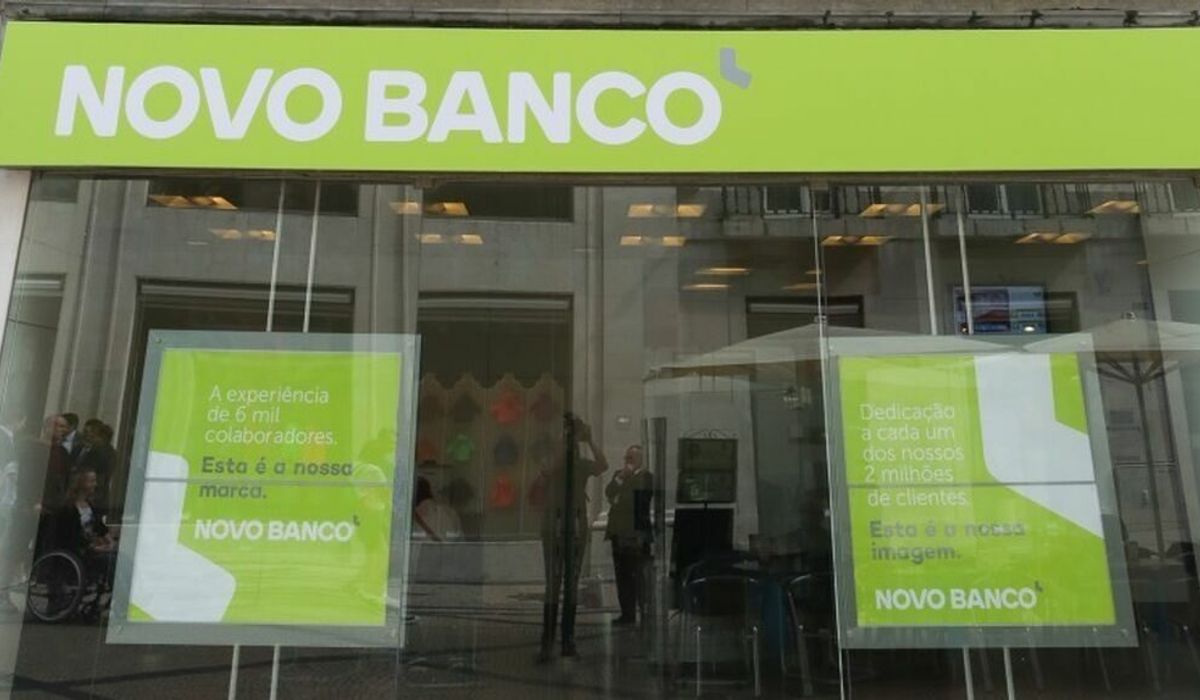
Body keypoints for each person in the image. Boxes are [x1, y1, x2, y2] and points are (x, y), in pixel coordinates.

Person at [533, 414, 608, 661]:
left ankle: (566, 640)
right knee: (553, 584)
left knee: (570, 584)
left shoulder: (581, 465)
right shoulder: (554, 464)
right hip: (555, 524)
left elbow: (603, 465)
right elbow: (547, 470)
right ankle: (549, 641)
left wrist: (589, 440)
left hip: (574, 525)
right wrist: (565, 440)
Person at [604, 444, 652, 626]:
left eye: (631, 458)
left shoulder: (646, 477)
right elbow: (609, 492)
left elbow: (635, 500)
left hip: (636, 534)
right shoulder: (619, 475)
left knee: (639, 576)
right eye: (626, 458)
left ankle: (645, 613)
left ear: (639, 460)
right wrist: (621, 479)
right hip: (619, 532)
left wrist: (618, 498)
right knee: (622, 575)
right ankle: (627, 613)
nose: (627, 461)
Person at [75, 420, 116, 509]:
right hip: (100, 495)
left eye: (93, 435)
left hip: (92, 496)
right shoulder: (111, 452)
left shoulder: (97, 451)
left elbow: (88, 471)